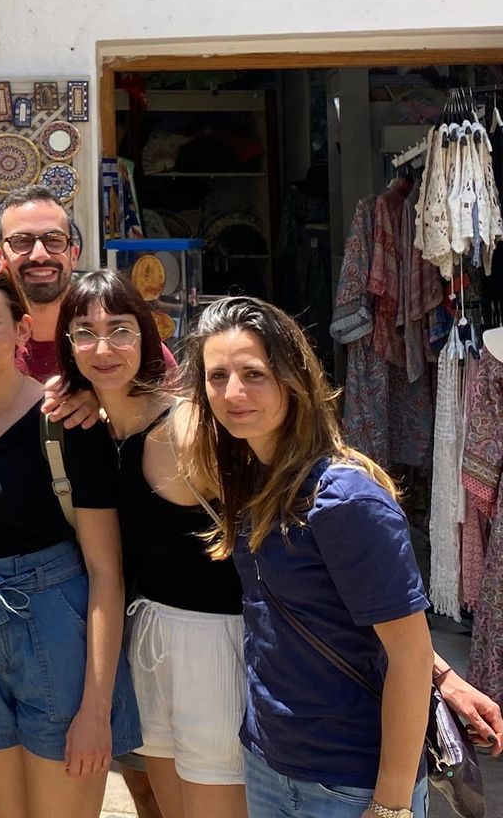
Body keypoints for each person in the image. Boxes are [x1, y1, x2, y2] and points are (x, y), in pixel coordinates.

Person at [175, 297, 431, 818]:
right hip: (271, 765)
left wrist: (391, 803)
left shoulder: (344, 498)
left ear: (294, 380)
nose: (233, 392)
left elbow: (410, 653)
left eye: (254, 373)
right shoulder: (255, 479)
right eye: (217, 375)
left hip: (348, 784)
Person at [0, 260, 138, 818]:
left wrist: (96, 707)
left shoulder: (66, 421)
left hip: (54, 625)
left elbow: (106, 575)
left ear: (21, 330)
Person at [54, 269, 246, 818]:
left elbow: (291, 533)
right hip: (149, 640)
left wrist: (432, 668)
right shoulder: (89, 433)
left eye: (120, 329)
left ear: (145, 335)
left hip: (218, 641)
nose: (103, 348)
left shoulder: (190, 428)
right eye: (85, 332)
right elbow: (105, 573)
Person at [0, 186, 82, 382]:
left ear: (73, 255)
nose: (40, 254)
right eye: (22, 241)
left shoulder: (112, 339)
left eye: (54, 240)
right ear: (1, 258)